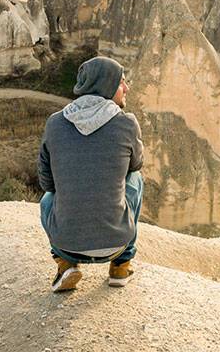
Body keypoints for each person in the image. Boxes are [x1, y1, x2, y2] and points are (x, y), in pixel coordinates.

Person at [38, 57, 143, 293]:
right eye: (121, 83)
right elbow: (137, 164)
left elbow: (46, 182)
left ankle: (65, 265)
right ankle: (121, 266)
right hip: (116, 243)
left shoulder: (55, 124)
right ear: (106, 86)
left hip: (67, 244)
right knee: (135, 179)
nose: (126, 88)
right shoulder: (126, 123)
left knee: (47, 198)